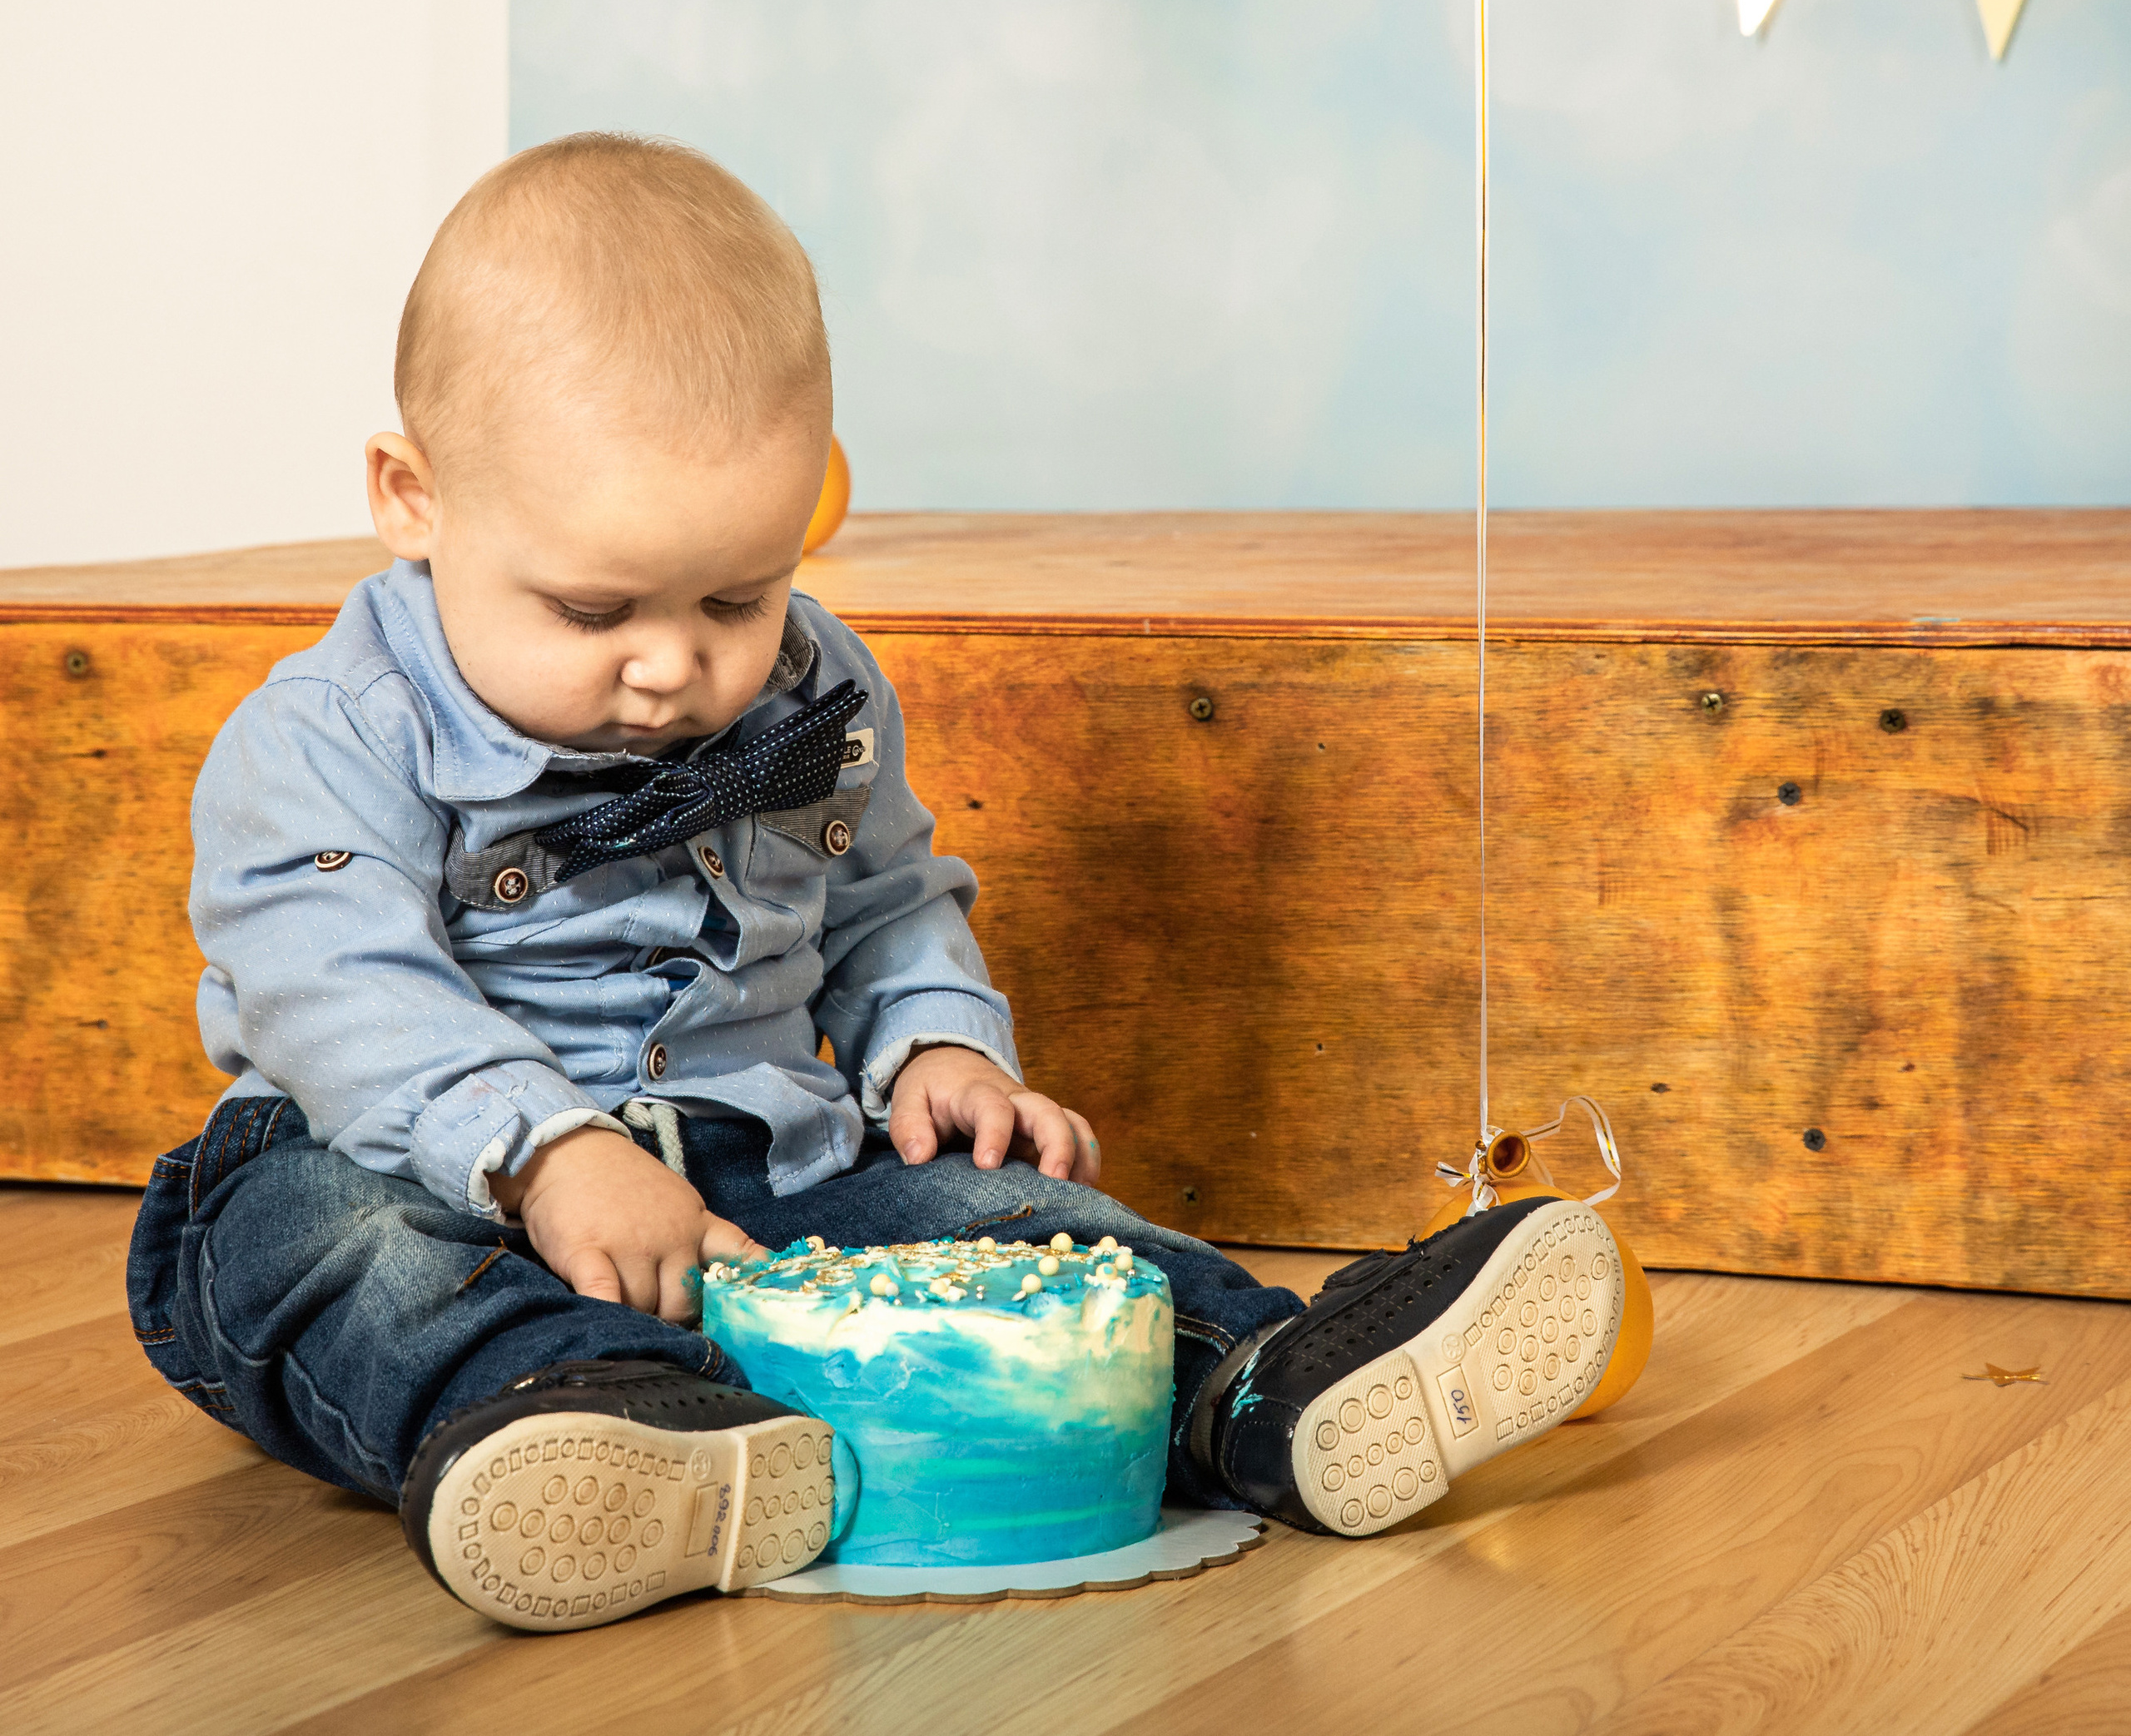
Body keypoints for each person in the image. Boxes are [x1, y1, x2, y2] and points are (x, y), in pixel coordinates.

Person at [127, 134, 1622, 1632]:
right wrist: (550, 1155)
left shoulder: (811, 693)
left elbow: (889, 900)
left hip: (763, 1169)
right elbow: (337, 990)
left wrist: (938, 1047)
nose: (672, 666)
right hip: (413, 1169)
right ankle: (577, 1419)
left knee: (1006, 1221)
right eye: (591, 610)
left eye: (735, 595)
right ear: (413, 496)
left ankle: (1265, 1384)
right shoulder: (327, 737)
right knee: (322, 1253)